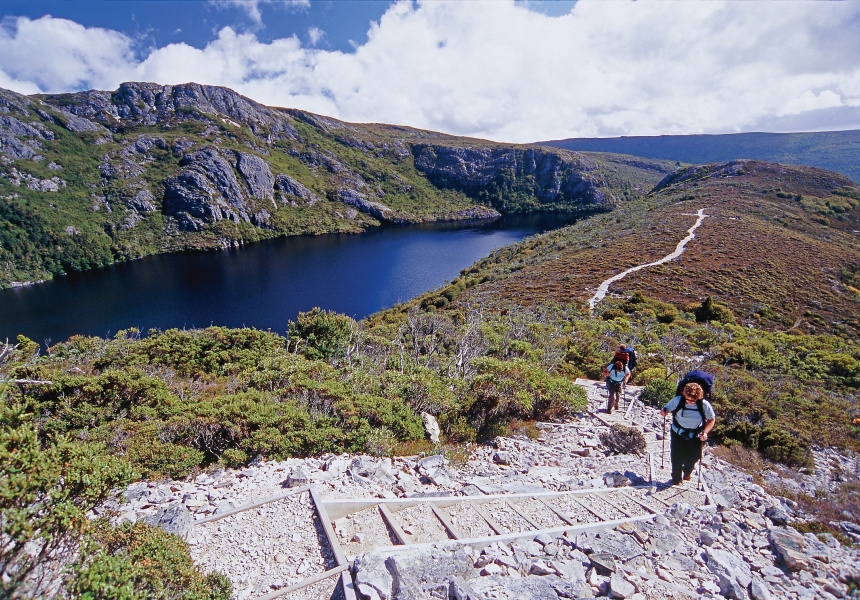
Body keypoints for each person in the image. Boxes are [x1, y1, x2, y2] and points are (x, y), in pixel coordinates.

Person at [660, 382, 716, 485]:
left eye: (693, 400)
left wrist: (705, 432)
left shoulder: (703, 404)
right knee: (676, 457)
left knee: (693, 457)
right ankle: (676, 479)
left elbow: (711, 419)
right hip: (677, 433)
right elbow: (665, 409)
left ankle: (687, 472)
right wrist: (664, 411)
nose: (690, 402)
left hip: (695, 435)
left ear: (698, 397)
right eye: (688, 399)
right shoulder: (678, 401)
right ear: (684, 395)